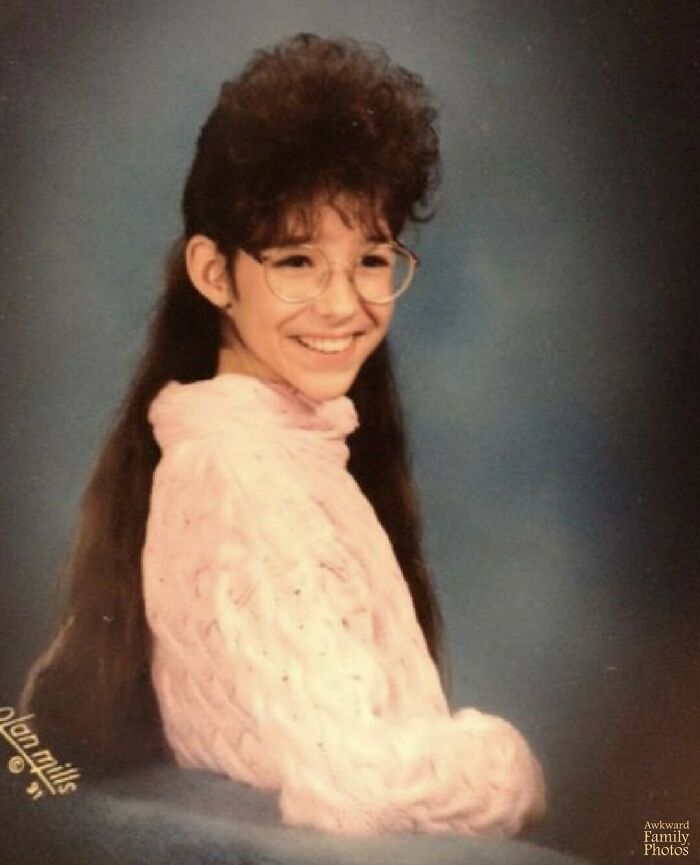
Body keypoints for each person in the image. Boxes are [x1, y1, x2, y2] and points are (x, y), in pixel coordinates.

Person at [19, 33, 546, 837]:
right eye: (297, 261)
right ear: (214, 272)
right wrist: (510, 763)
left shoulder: (270, 448)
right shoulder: (242, 472)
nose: (344, 306)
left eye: (371, 259)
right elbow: (350, 783)